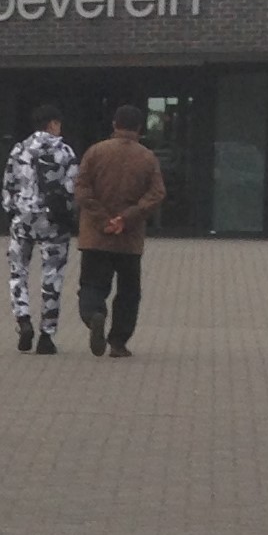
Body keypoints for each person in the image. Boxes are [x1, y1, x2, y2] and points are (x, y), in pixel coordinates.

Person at [75, 103, 167, 358]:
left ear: (114, 124)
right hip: (129, 238)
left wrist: (103, 219)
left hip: (96, 236)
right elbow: (157, 193)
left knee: (91, 285)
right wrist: (126, 218)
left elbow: (81, 189)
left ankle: (95, 314)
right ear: (139, 128)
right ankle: (118, 342)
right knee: (128, 292)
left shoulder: (95, 152)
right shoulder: (147, 157)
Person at [0, 102, 80, 354]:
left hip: (23, 218)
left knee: (18, 272)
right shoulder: (65, 152)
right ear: (53, 124)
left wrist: (12, 210)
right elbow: (72, 188)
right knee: (52, 277)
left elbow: (8, 185)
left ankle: (23, 319)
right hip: (53, 222)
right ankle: (47, 335)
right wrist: (68, 214)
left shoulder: (19, 149)